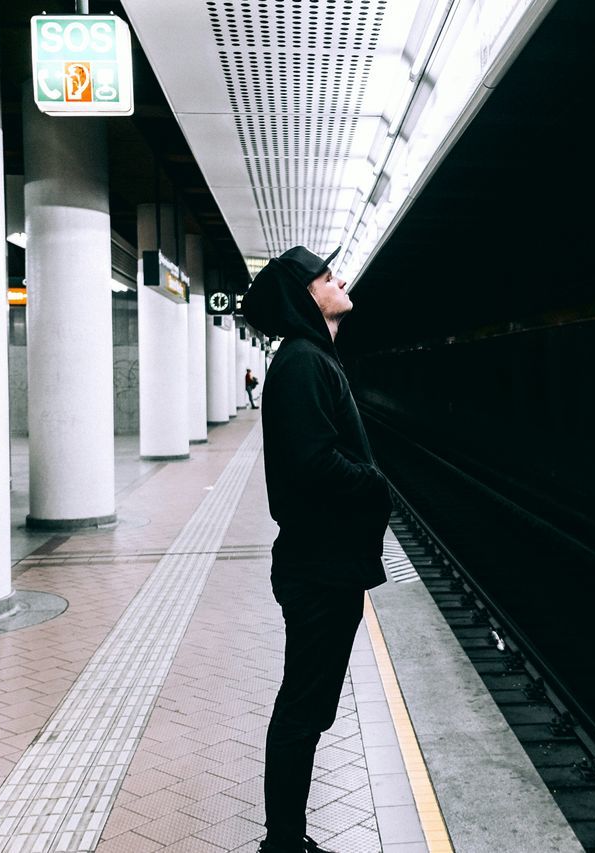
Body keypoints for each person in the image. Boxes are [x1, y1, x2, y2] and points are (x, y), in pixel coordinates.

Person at [241, 244, 391, 853]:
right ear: (307, 295)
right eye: (329, 276)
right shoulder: (303, 362)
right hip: (320, 566)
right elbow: (313, 463)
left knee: (310, 707)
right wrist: (375, 482)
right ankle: (282, 843)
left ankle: (287, 838)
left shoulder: (311, 358)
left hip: (326, 562)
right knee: (303, 709)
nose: (341, 280)